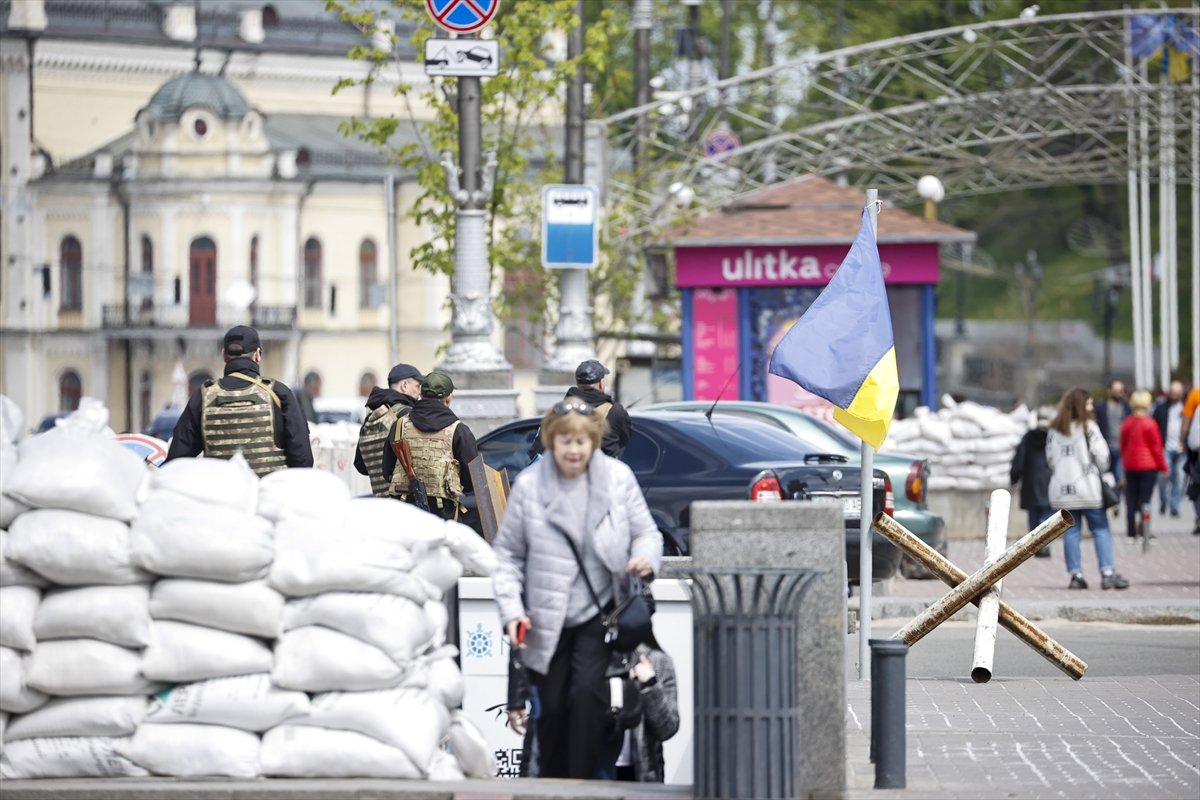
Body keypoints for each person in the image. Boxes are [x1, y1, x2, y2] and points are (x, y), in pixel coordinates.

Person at [492, 401, 662, 779]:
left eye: (582, 441)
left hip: (599, 614)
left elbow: (647, 532)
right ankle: (556, 783)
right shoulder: (531, 485)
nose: (574, 450)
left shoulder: (618, 479)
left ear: (593, 442)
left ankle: (583, 785)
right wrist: (511, 612)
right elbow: (506, 556)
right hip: (545, 616)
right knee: (551, 710)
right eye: (565, 441)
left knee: (588, 697)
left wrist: (645, 556)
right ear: (552, 442)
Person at [166, 325, 313, 476]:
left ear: (224, 356)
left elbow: (176, 462)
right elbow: (303, 460)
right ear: (257, 355)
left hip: (221, 497)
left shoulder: (203, 397)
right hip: (266, 496)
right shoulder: (278, 393)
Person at [1045, 387, 1129, 590]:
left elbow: (1049, 459)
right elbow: (1102, 457)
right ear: (1081, 405)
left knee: (1071, 533)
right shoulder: (1088, 426)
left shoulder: (1054, 429)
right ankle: (1107, 573)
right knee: (1100, 529)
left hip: (1063, 490)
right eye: (1089, 403)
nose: (1092, 407)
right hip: (1088, 488)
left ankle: (1076, 575)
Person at [382, 371, 478, 520]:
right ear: (448, 398)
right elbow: (473, 480)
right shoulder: (459, 430)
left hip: (403, 510)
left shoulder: (400, 425)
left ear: (421, 393)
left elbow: (387, 471)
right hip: (442, 513)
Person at [594, 637, 679, 782]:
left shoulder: (656, 660)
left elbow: (668, 728)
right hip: (597, 771)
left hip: (641, 775)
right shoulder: (591, 658)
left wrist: (650, 685)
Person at [532, 360, 633, 460]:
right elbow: (626, 440)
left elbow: (537, 448)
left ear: (577, 383)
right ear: (602, 383)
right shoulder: (615, 411)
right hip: (602, 472)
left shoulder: (558, 411)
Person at [354, 363, 423, 496]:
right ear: (404, 385)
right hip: (403, 501)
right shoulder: (406, 415)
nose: (420, 392)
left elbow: (361, 466)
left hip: (380, 500)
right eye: (417, 386)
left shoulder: (372, 416)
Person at [1120, 389, 1168, 540]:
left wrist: (1125, 461)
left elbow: (1123, 445)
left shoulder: (1127, 422)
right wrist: (1163, 466)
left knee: (1131, 499)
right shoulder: (1150, 423)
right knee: (1145, 500)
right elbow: (1156, 448)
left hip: (1131, 466)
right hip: (1148, 466)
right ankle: (1145, 530)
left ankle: (1130, 531)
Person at [1010, 405, 1056, 557]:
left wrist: (1014, 477)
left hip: (1030, 481)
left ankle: (1034, 546)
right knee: (1048, 515)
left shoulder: (1028, 437)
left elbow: (1019, 459)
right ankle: (1046, 544)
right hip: (1049, 479)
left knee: (1033, 514)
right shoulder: (1053, 437)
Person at [1093, 379, 1131, 509]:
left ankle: (1115, 500)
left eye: (1121, 391)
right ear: (1109, 391)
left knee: (1120, 477)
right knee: (1107, 478)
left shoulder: (1126, 407)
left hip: (1121, 448)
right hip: (1106, 448)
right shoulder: (1101, 407)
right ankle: (1110, 500)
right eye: (1116, 390)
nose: (1119, 393)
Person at [1153, 381, 1185, 517]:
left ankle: (1174, 506)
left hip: (1181, 449)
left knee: (1180, 477)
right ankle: (1163, 501)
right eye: (1172, 393)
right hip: (1164, 448)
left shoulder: (1186, 408)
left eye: (1177, 394)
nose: (1174, 396)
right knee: (1163, 476)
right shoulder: (1160, 408)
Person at [1181, 386, 1200, 534]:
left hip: (1197, 449)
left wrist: (1182, 441)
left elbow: (1186, 420)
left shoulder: (1195, 394)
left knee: (1197, 483)